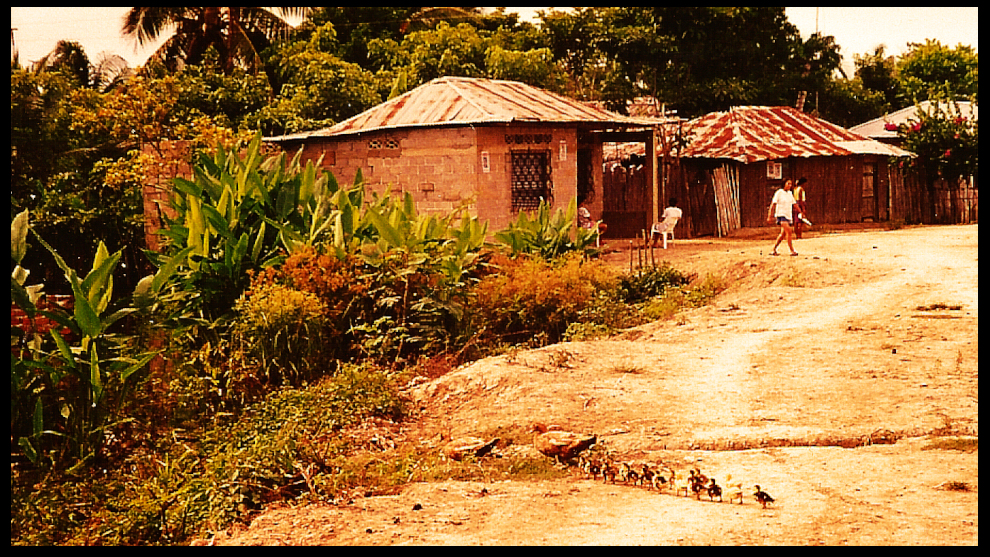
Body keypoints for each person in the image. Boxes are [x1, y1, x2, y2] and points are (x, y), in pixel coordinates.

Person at [768, 180, 799, 256]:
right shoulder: (779, 193)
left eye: (791, 184)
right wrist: (770, 215)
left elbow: (794, 204)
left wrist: (800, 211)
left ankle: (773, 249)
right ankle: (792, 250)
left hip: (788, 215)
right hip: (781, 215)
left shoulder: (790, 194)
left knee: (783, 234)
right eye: (788, 183)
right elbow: (773, 204)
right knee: (789, 231)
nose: (790, 185)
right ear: (784, 184)